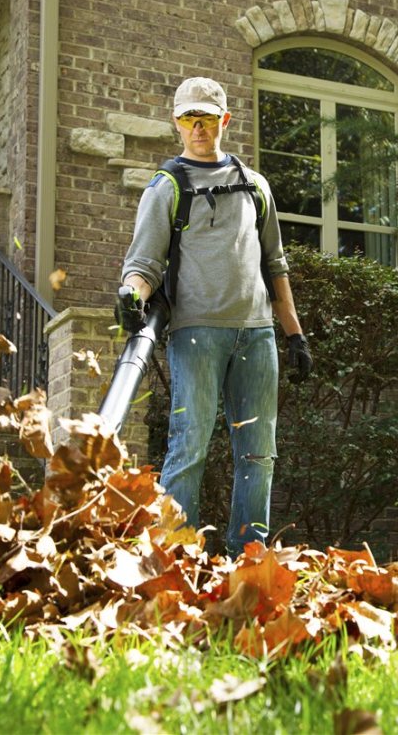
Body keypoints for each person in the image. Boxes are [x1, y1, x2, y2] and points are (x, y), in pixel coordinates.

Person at [118, 76, 312, 556]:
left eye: (207, 118)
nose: (198, 128)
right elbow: (144, 264)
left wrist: (294, 335)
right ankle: (175, 555)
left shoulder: (254, 185)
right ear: (177, 124)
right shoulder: (166, 187)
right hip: (196, 334)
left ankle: (250, 557)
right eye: (189, 119)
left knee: (259, 454)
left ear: (224, 120)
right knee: (189, 447)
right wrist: (130, 294)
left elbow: (274, 265)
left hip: (257, 336)